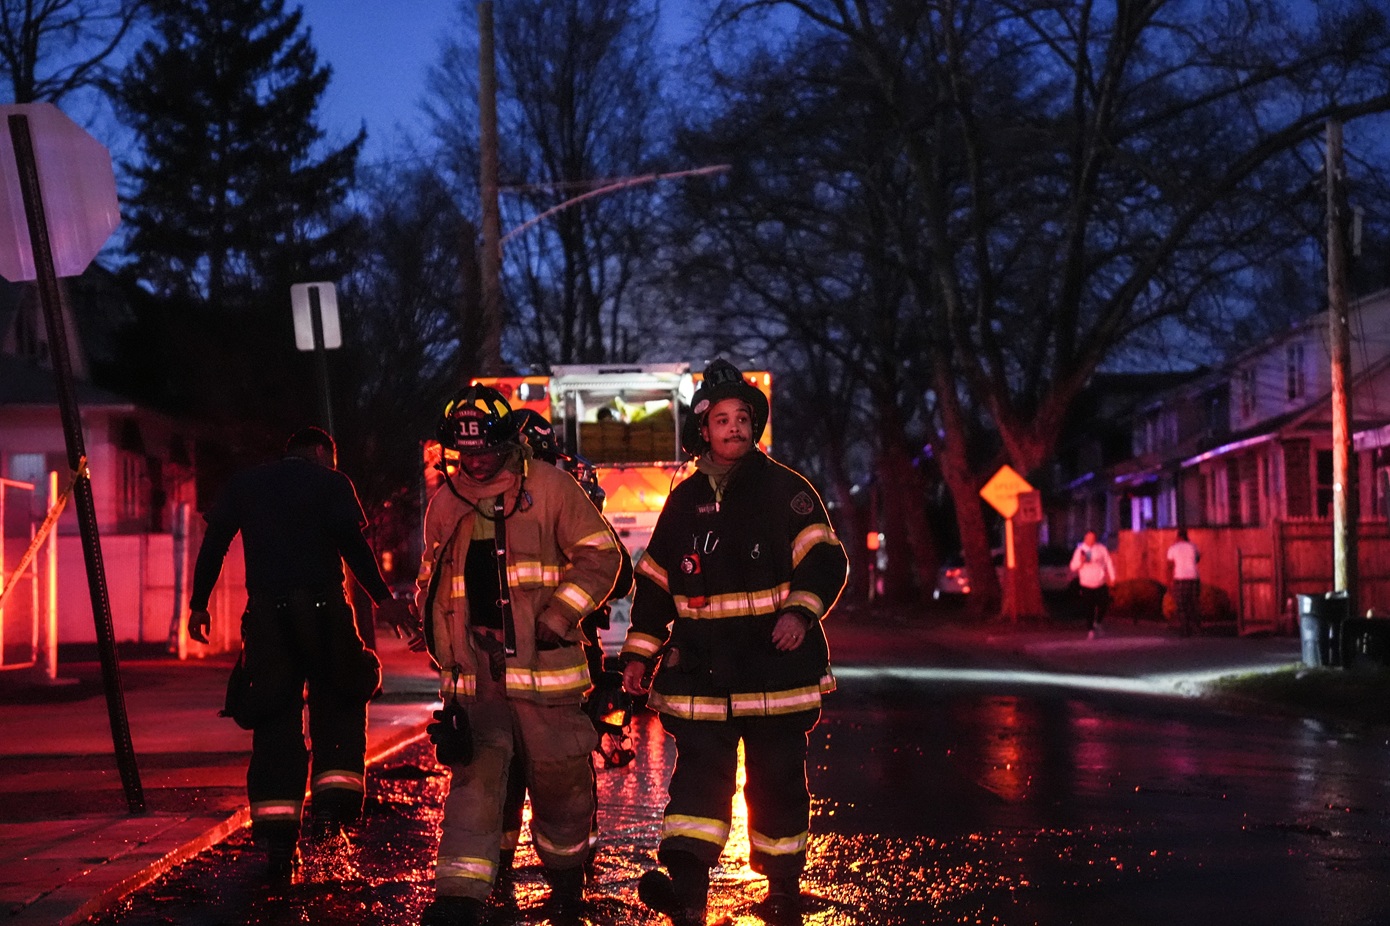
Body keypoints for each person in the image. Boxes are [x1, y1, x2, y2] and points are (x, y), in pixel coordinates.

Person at [620, 359, 848, 926]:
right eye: (722, 420)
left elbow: (825, 559)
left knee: (776, 783)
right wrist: (638, 656)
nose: (734, 428)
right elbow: (655, 586)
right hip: (703, 678)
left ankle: (785, 890)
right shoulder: (683, 501)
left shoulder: (787, 491)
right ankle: (688, 891)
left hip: (775, 672)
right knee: (697, 785)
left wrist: (800, 613)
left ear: (754, 426)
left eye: (743, 418)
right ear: (705, 430)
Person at [415, 386, 623, 926]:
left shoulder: (552, 488)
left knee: (561, 783)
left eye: (485, 449)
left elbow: (601, 558)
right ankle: (458, 898)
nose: (476, 462)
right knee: (475, 786)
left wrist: (557, 618)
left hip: (546, 674)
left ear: (507, 441)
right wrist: (438, 643)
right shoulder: (446, 503)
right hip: (476, 677)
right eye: (465, 454)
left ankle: (567, 880)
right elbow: (432, 581)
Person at [186, 426, 418, 885]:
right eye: (330, 460)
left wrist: (198, 604)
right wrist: (383, 598)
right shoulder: (331, 483)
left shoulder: (246, 484)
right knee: (341, 699)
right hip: (325, 613)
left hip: (267, 620)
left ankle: (278, 843)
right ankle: (332, 814)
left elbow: (214, 543)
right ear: (318, 453)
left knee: (275, 718)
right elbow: (354, 547)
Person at [1070, 530, 1116, 639]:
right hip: (1086, 583)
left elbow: (1108, 562)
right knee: (1089, 607)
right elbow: (1073, 566)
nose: (1090, 540)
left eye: (1093, 538)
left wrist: (1112, 577)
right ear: (1085, 538)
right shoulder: (1080, 550)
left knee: (1104, 603)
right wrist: (1081, 561)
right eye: (1088, 538)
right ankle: (1090, 629)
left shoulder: (1101, 549)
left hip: (1100, 582)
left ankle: (1098, 622)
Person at [1166, 528, 1201, 637]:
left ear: (1178, 537)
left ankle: (1185, 629)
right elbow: (1197, 559)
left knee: (1181, 605)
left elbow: (1170, 566)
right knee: (1193, 604)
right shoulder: (1193, 546)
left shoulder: (1173, 548)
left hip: (1180, 577)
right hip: (1193, 577)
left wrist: (1169, 582)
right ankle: (1196, 628)